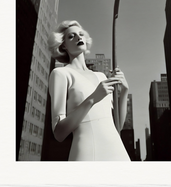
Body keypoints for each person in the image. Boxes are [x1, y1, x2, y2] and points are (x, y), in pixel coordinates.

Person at [47, 20, 131, 161]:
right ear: (63, 46)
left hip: (118, 152)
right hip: (88, 153)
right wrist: (93, 99)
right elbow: (59, 133)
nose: (78, 37)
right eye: (71, 36)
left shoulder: (101, 76)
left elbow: (117, 126)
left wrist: (124, 91)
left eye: (81, 34)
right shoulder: (60, 74)